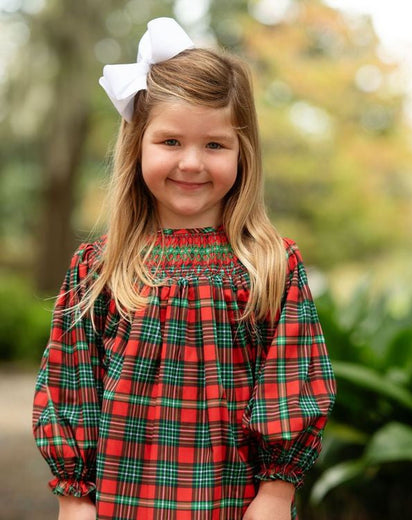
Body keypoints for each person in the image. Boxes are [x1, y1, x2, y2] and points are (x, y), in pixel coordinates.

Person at [32, 17, 336, 520]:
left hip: (236, 502)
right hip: (123, 503)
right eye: (170, 141)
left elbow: (292, 378)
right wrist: (73, 496)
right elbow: (70, 380)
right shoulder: (100, 268)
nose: (192, 163)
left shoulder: (270, 265)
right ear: (138, 146)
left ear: (243, 153)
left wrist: (277, 492)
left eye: (215, 145)